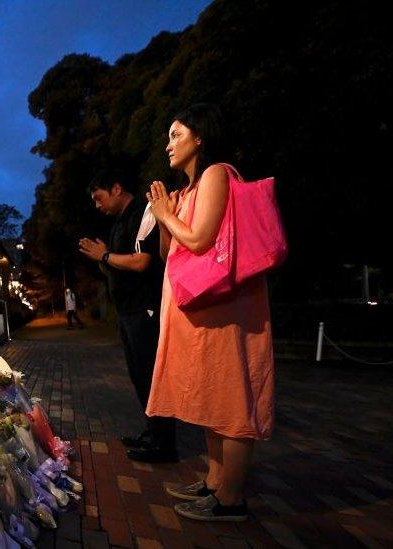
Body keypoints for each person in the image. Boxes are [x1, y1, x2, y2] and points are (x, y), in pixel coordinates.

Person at [145, 103, 274, 522]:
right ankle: (214, 480)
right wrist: (164, 218)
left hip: (221, 306)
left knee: (232, 397)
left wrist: (168, 215)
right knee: (210, 396)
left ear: (200, 136)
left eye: (176, 134)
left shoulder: (218, 173)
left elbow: (200, 241)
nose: (169, 144)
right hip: (194, 307)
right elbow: (170, 252)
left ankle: (231, 499)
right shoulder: (185, 191)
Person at [79, 170, 177, 462]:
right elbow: (115, 263)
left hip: (143, 308)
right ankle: (153, 432)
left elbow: (142, 262)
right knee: (139, 376)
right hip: (126, 311)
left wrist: (105, 257)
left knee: (150, 375)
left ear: (117, 187)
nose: (98, 205)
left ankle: (164, 444)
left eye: (99, 198)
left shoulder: (142, 213)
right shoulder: (119, 223)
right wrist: (105, 258)